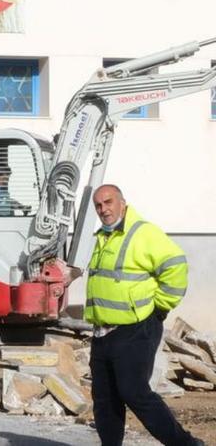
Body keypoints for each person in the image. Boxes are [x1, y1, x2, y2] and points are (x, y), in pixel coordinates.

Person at [85, 185, 199, 446]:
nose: (104, 209)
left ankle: (187, 444)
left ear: (123, 203)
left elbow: (175, 265)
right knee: (105, 399)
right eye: (99, 205)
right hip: (103, 332)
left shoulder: (143, 233)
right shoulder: (104, 236)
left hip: (135, 329)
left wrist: (160, 307)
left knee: (134, 393)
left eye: (109, 202)